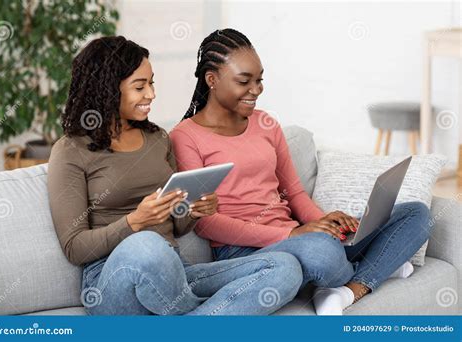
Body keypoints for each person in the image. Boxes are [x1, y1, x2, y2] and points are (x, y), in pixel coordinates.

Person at [170, 28, 432, 315]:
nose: (256, 90)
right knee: (322, 253)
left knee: (417, 213)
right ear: (212, 80)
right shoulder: (186, 137)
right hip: (246, 251)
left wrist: (324, 221)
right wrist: (291, 234)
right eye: (244, 81)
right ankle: (378, 265)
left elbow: (293, 192)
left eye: (259, 80)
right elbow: (206, 223)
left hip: (300, 236)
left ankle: (350, 288)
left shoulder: (265, 123)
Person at [47, 36, 303, 316]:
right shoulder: (71, 150)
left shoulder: (158, 138)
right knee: (146, 245)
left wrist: (193, 210)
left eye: (152, 83)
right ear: (108, 88)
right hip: (111, 284)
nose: (151, 94)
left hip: (176, 274)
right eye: (140, 86)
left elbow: (177, 225)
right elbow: (74, 247)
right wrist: (133, 223)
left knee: (283, 266)